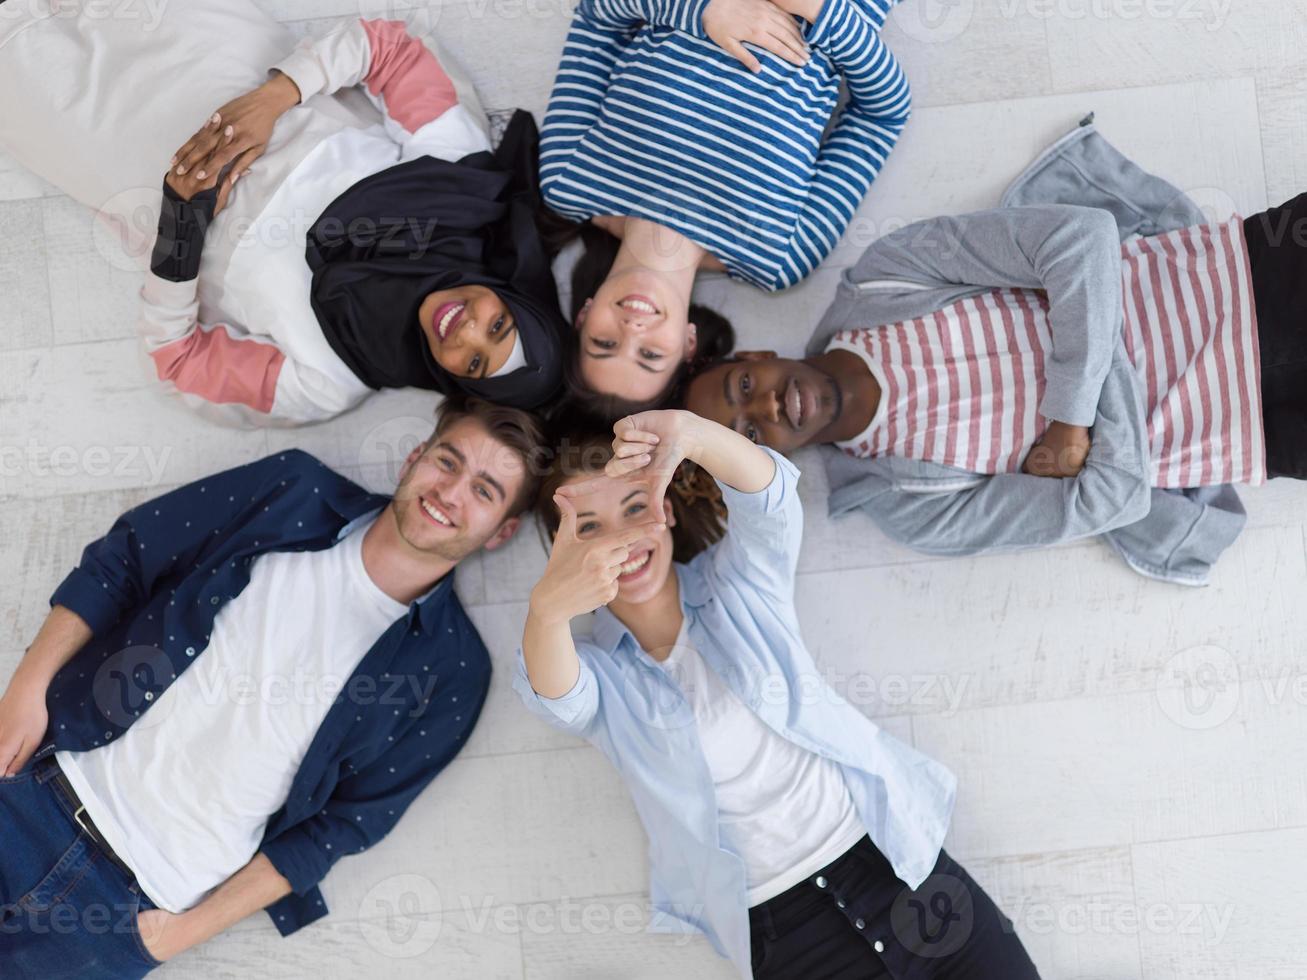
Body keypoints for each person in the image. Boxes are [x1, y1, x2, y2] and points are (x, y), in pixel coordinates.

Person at [0, 397, 545, 978]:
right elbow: (126, 560)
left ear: (501, 530)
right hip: (34, 783)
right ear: (415, 456)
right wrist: (23, 691)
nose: (451, 492)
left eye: (484, 491)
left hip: (122, 916)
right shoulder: (294, 490)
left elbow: (340, 829)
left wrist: (174, 936)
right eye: (447, 461)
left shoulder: (453, 671)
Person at [515, 409, 1040, 978]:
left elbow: (770, 499)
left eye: (635, 508)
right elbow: (555, 695)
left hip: (897, 872)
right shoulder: (601, 677)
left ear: (665, 511)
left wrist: (690, 432)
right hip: (785, 933)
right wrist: (547, 607)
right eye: (589, 527)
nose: (620, 538)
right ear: (562, 555)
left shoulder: (738, 584)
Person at [683, 123, 1302, 585]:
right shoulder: (911, 505)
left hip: (1250, 278)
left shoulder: (887, 276)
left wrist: (1070, 421)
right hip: (1261, 431)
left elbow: (1080, 236)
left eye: (742, 387)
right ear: (766, 466)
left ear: (755, 354)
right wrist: (1083, 311)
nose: (766, 405)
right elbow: (1115, 500)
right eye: (750, 436)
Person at [0, 1, 566, 425]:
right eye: (499, 325)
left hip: (106, 141)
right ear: (512, 293)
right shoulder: (458, 181)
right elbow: (388, 48)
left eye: (473, 362)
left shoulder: (328, 381)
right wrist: (274, 100)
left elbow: (177, 363)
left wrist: (182, 232)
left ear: (454, 379)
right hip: (204, 51)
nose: (466, 330)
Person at [538, 0, 912, 413]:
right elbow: (884, 115)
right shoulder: (777, 258)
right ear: (688, 344)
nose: (632, 330)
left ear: (584, 315)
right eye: (650, 355)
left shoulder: (569, 180)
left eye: (604, 343)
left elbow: (596, 16)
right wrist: (817, 12)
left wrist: (701, 12)